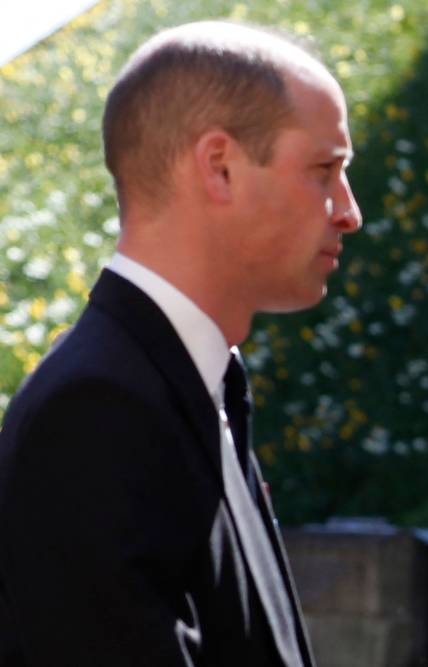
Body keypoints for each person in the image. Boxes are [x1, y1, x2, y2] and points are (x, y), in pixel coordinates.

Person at [0, 21, 361, 666]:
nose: (348, 210)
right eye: (324, 169)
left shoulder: (185, 379)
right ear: (219, 166)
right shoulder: (96, 411)